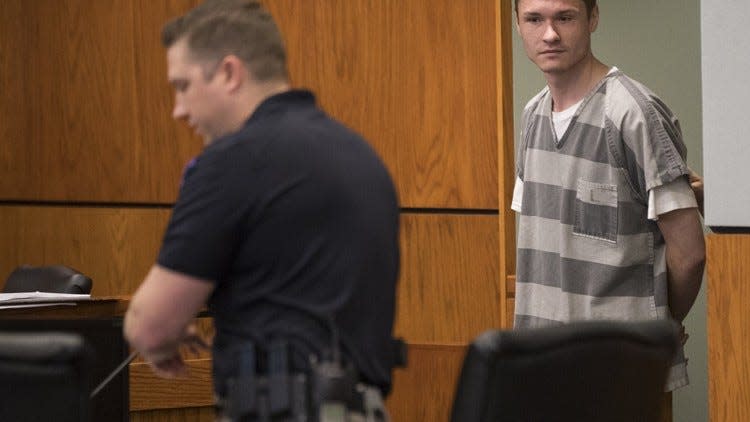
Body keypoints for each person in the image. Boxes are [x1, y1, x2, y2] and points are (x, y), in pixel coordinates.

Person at [123, 1, 401, 420]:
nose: (178, 110)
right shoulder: (360, 155)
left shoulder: (232, 161)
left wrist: (160, 335)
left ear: (230, 73)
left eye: (183, 86)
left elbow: (150, 326)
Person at [512, 0, 705, 391]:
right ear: (518, 25)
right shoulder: (532, 117)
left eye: (564, 17)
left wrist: (658, 330)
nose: (549, 34)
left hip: (620, 377)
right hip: (541, 370)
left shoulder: (633, 113)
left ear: (593, 17)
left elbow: (689, 253)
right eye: (534, 19)